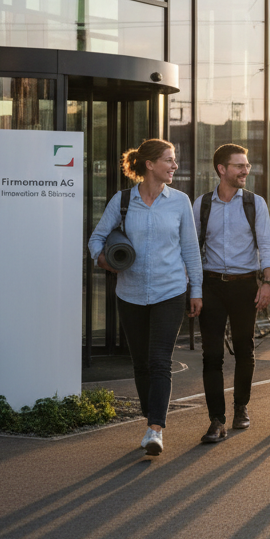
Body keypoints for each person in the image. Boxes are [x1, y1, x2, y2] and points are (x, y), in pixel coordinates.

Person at [88, 138, 203, 457]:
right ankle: (150, 414)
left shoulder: (180, 201)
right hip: (131, 292)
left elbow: (191, 250)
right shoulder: (122, 201)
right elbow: (96, 238)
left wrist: (197, 290)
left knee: (159, 360)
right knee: (140, 362)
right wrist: (103, 259)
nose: (174, 166)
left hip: (171, 290)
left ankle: (155, 428)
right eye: (169, 160)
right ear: (150, 164)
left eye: (174, 160)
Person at [191, 144, 270, 444]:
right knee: (211, 354)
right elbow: (191, 249)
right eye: (239, 165)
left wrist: (267, 282)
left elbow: (267, 245)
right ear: (221, 169)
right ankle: (216, 419)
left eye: (247, 165)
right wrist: (194, 288)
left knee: (244, 348)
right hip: (211, 284)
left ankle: (241, 406)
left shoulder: (255, 204)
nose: (245, 170)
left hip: (245, 285)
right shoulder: (201, 205)